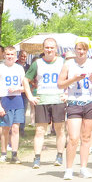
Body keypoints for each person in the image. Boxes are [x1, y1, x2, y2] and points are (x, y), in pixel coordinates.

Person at [59, 38, 92, 180]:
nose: (81, 52)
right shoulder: (68, 64)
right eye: (79, 49)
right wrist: (73, 79)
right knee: (73, 138)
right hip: (74, 102)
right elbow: (60, 84)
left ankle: (83, 167)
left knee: (86, 137)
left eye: (84, 49)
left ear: (87, 50)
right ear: (75, 49)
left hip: (89, 102)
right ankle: (69, 169)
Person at [26, 36, 67, 168]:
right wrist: (30, 97)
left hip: (58, 99)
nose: (49, 50)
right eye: (47, 47)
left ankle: (59, 155)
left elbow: (72, 78)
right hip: (43, 99)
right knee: (39, 130)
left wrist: (67, 93)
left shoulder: (63, 62)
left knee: (60, 129)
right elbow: (25, 80)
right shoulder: (37, 63)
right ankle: (37, 157)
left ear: (56, 49)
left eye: (52, 47)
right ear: (43, 49)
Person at [0, 45, 35, 163]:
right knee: (5, 128)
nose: (10, 57)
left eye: (12, 55)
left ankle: (14, 153)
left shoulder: (19, 68)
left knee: (16, 128)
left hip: (17, 99)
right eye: (8, 54)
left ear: (15, 56)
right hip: (4, 99)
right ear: (4, 55)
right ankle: (3, 153)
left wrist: (18, 88)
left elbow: (25, 87)